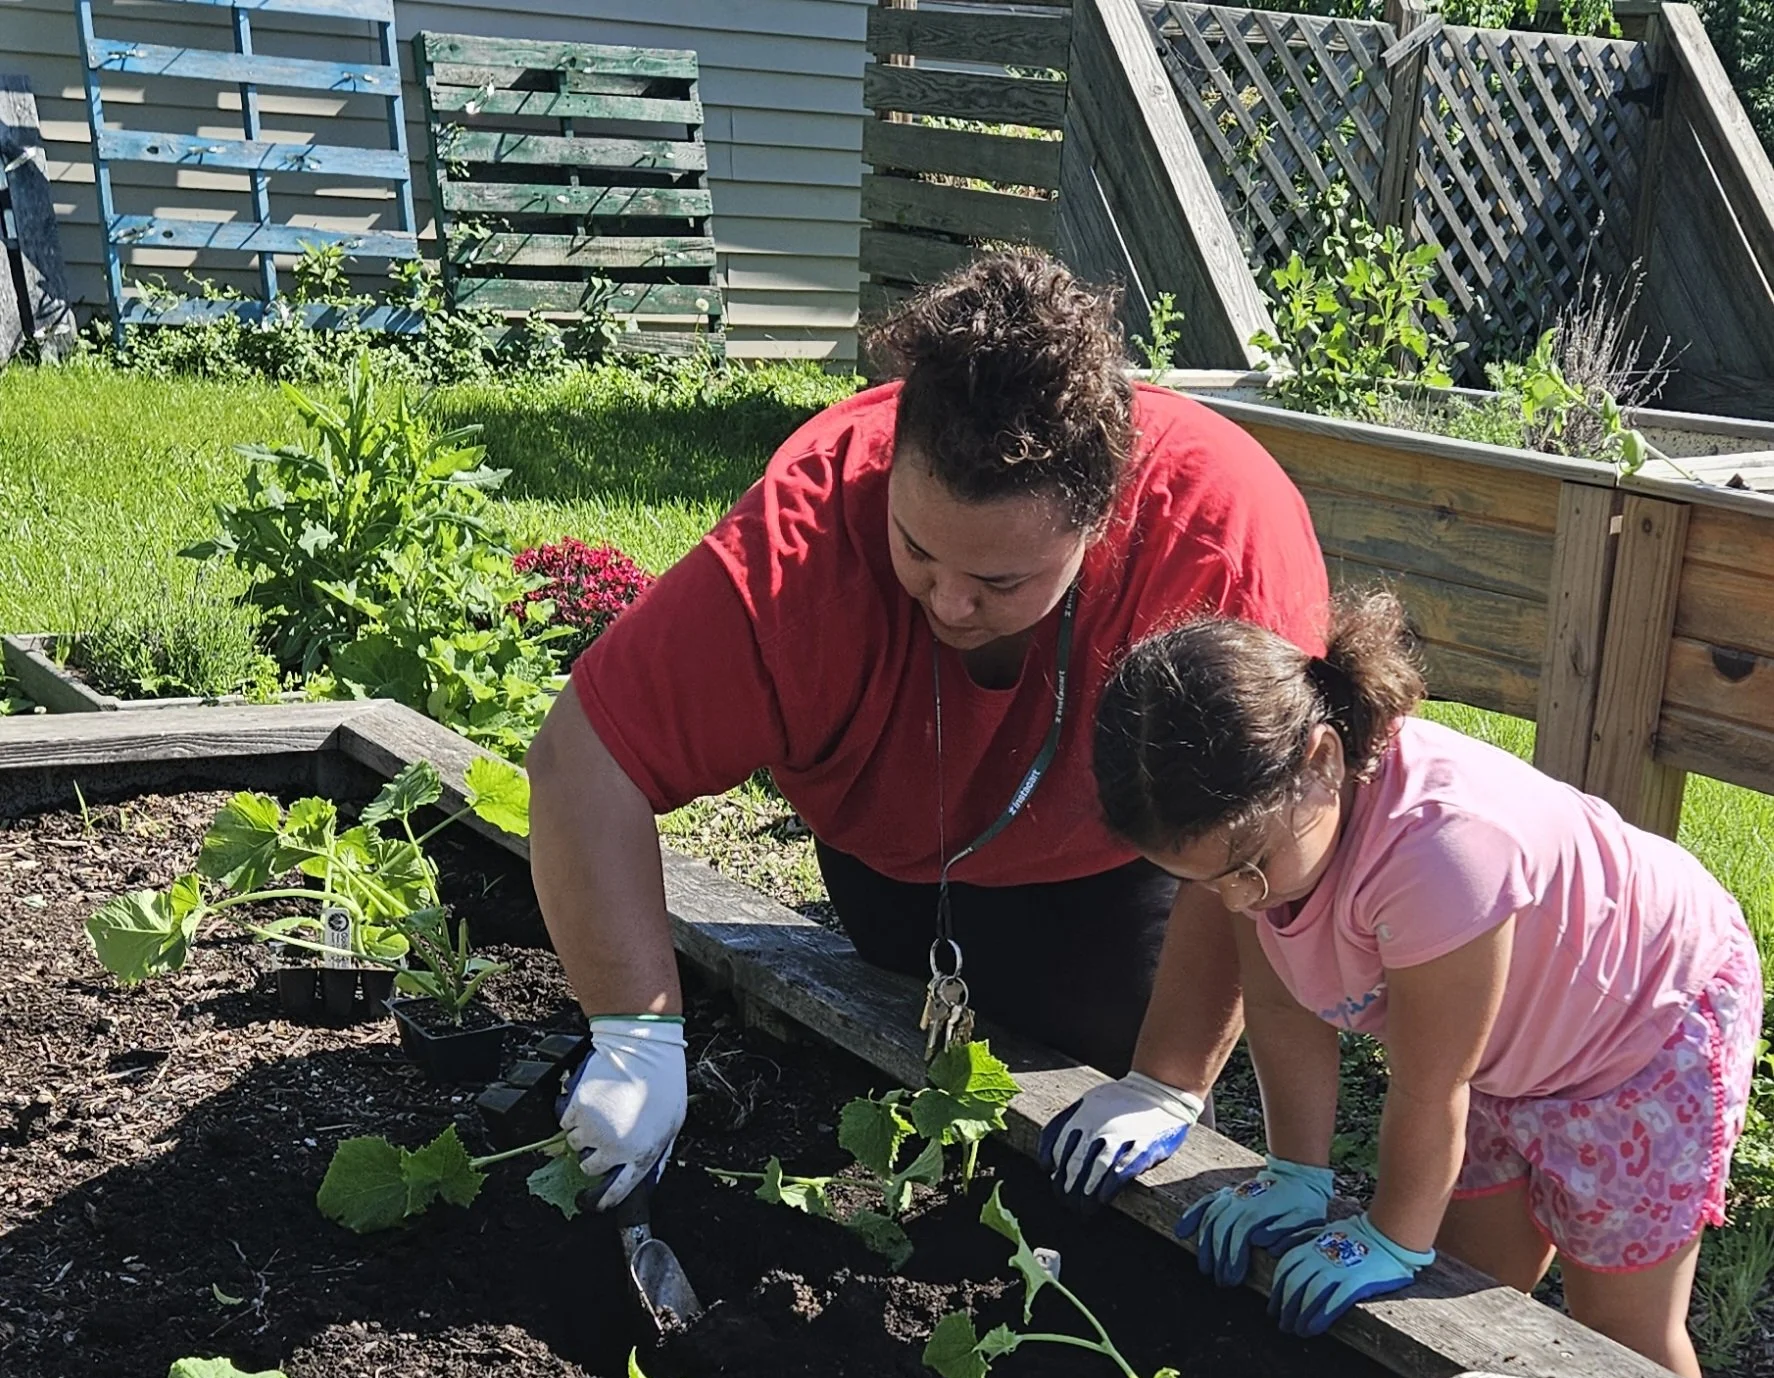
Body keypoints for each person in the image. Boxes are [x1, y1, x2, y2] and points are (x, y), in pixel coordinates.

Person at [526, 252, 1328, 1214]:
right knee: (902, 1075)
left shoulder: (1217, 541)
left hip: (1114, 872)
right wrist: (635, 1036)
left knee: (1090, 1152)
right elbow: (586, 754)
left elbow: (1251, 839)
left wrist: (1168, 1080)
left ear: (1099, 519)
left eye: (1001, 582)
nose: (948, 602)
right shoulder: (806, 535)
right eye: (916, 547)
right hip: (894, 856)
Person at [1090, 597, 1763, 1378]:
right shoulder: (1261, 847)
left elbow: (1429, 1084)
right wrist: (1298, 1170)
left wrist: (1390, 1232)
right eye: (1201, 881)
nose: (1231, 900)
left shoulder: (1443, 847)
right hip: (1502, 1042)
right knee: (1470, 1292)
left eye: (1244, 869)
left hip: (1644, 1029)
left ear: (1320, 761)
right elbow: (1283, 1002)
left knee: (1620, 1331)